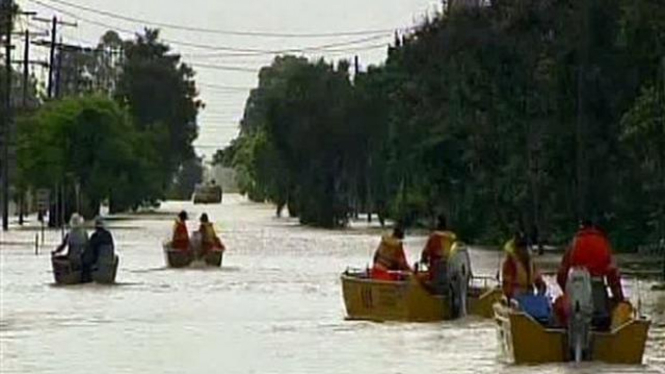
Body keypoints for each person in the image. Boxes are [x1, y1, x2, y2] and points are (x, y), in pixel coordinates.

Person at [554, 219, 623, 329]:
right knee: (604, 319)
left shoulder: (574, 244)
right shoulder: (603, 243)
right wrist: (619, 298)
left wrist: (567, 293)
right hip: (598, 295)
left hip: (576, 296)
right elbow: (613, 275)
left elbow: (561, 276)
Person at [501, 231, 547, 299]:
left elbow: (538, 280)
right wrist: (511, 297)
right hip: (515, 298)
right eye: (521, 247)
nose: (524, 249)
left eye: (525, 246)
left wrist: (541, 289)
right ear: (516, 248)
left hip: (529, 296)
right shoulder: (510, 263)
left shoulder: (531, 263)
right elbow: (507, 285)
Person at [420, 215, 458, 294]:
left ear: (438, 223)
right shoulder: (452, 237)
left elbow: (425, 253)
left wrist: (423, 260)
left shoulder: (434, 236)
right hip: (452, 270)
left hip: (436, 270)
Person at [83, 217, 115, 282]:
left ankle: (86, 279)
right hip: (108, 262)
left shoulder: (95, 237)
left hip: (98, 262)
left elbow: (90, 250)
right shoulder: (108, 235)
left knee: (85, 262)